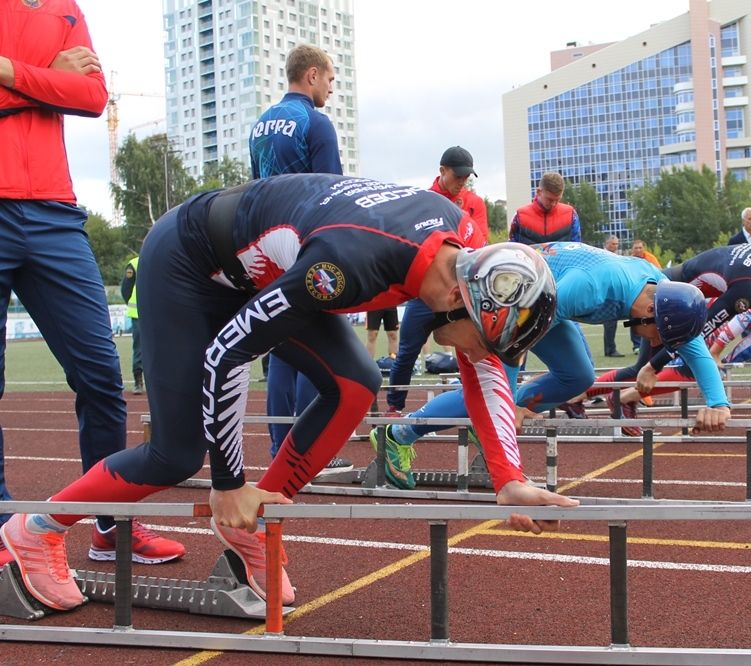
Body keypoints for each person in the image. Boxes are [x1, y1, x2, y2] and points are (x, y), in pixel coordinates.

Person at [0, 174, 576, 613]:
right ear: (458, 295)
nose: (479, 358)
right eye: (482, 343)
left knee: (355, 385)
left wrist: (509, 478)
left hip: (266, 271)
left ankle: (251, 525)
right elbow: (228, 354)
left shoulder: (469, 253)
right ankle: (36, 529)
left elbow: (482, 368)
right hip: (189, 264)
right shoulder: (348, 266)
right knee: (176, 453)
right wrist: (228, 484)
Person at [0, 0, 184, 569]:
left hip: (55, 213)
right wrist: (50, 76)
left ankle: (110, 521)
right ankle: (6, 526)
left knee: (103, 377)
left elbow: (91, 96)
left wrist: (8, 71)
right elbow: (66, 87)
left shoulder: (66, 8)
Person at [369, 241, 732, 490]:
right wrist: (505, 403)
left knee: (578, 376)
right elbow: (516, 330)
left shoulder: (664, 293)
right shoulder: (593, 287)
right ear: (652, 314)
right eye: (660, 337)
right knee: (492, 393)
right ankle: (397, 434)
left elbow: (694, 347)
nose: (656, 345)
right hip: (506, 302)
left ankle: (509, 414)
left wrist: (719, 404)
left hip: (549, 303)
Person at [581, 244, 751, 425]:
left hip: (678, 290)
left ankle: (607, 397)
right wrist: (654, 365)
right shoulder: (747, 290)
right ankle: (584, 394)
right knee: (643, 368)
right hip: (666, 292)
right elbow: (698, 328)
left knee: (671, 368)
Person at [248, 44, 348, 466]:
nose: (330, 88)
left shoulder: (260, 124)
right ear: (310, 75)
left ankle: (278, 449)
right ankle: (308, 452)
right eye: (328, 79)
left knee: (280, 344)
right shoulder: (316, 122)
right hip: (307, 244)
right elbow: (332, 191)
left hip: (267, 246)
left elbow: (257, 188)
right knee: (318, 347)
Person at [384, 146, 488, 416]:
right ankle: (394, 408)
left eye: (467, 178)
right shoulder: (423, 200)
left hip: (462, 293)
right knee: (407, 350)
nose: (462, 182)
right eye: (458, 176)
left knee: (474, 348)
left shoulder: (475, 202)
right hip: (426, 293)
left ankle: (475, 405)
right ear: (442, 171)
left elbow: (481, 245)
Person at [507, 171, 581, 245]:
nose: (553, 204)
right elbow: (512, 249)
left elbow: (577, 248)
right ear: (539, 192)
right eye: (550, 199)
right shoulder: (520, 216)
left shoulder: (571, 215)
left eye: (557, 199)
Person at [629, 240, 661, 351]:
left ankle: (655, 341)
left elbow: (659, 272)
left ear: (644, 248)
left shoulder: (650, 259)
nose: (638, 250)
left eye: (640, 248)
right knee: (633, 318)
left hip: (649, 290)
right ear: (632, 250)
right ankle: (636, 345)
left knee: (650, 316)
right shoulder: (629, 260)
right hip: (634, 292)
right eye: (636, 248)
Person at [121, 256, 143, 394]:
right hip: (138, 315)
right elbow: (126, 289)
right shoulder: (134, 264)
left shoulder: (165, 258)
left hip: (159, 313)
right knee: (139, 349)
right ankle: (138, 382)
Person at [602, 234, 626, 357]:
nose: (615, 246)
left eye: (617, 244)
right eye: (613, 244)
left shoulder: (617, 256)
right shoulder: (602, 256)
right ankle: (610, 349)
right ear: (606, 244)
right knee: (610, 321)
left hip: (616, 292)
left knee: (613, 321)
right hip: (607, 293)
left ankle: (610, 348)